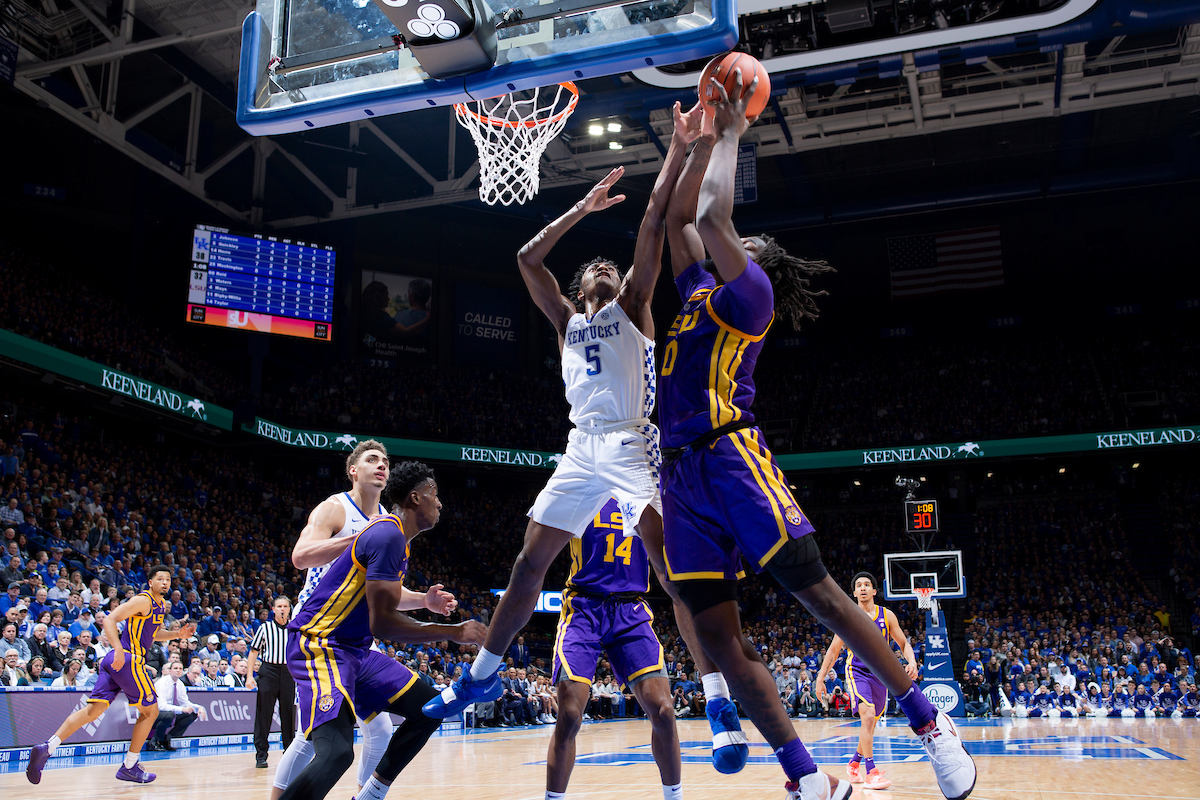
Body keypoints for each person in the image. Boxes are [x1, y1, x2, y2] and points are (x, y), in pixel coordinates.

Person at [655, 69, 975, 800]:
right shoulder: (699, 291)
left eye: (750, 239)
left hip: (732, 456)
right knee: (717, 638)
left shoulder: (752, 296)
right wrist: (694, 144)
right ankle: (804, 778)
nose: (742, 239)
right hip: (680, 478)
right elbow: (680, 224)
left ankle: (932, 728)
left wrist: (733, 135)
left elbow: (708, 222)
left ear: (759, 260)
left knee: (826, 598)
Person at [424, 104, 748, 777]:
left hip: (633, 443)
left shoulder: (633, 306)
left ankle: (717, 699)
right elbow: (524, 256)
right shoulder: (569, 318)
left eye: (611, 265)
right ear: (581, 287)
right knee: (527, 563)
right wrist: (582, 209)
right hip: (581, 447)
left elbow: (657, 219)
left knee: (672, 570)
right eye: (594, 266)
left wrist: (680, 148)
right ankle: (482, 673)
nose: (605, 267)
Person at [276, 461, 485, 800]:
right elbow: (383, 622)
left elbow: (384, 601)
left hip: (354, 650)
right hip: (320, 645)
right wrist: (452, 632)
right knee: (337, 752)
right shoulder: (387, 533)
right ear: (415, 498)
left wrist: (425, 603)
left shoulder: (398, 540)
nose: (440, 502)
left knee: (430, 708)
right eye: (435, 495)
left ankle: (370, 794)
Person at [544, 496, 684, 799]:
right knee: (569, 714)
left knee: (664, 710)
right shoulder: (581, 485)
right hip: (583, 606)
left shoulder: (647, 491)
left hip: (630, 610)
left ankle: (675, 796)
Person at [25, 564, 196, 785]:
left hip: (115, 662)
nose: (165, 583)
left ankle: (47, 747)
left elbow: (152, 634)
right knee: (151, 712)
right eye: (160, 579)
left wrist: (176, 633)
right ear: (150, 581)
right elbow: (109, 619)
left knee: (92, 710)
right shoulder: (143, 600)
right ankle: (129, 766)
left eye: (168, 580)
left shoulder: (160, 605)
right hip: (127, 660)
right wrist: (116, 649)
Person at [815, 573, 920, 790]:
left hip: (881, 673)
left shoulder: (887, 615)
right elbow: (833, 651)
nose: (862, 588)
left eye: (867, 585)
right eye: (858, 585)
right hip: (857, 671)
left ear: (873, 591)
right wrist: (820, 677)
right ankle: (871, 772)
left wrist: (912, 661)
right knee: (868, 715)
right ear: (853, 593)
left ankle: (854, 763)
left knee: (870, 723)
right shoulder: (847, 617)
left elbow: (903, 642)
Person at [249, 596, 295, 769]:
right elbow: (253, 652)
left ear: (289, 609)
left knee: (288, 714)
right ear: (273, 609)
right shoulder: (265, 628)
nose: (282, 609)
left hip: (288, 673)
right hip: (269, 671)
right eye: (279, 606)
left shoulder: (294, 629)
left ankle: (289, 753)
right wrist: (248, 676)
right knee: (264, 714)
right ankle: (261, 755)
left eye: (285, 606)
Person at [151, 661, 203, 750]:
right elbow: (161, 706)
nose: (178, 671)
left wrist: (199, 707)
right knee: (169, 715)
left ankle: (167, 738)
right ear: (170, 671)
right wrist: (182, 709)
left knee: (192, 714)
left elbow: (185, 702)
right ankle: (155, 741)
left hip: (167, 713)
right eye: (175, 668)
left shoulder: (179, 684)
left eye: (180, 669)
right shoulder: (162, 683)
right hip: (152, 714)